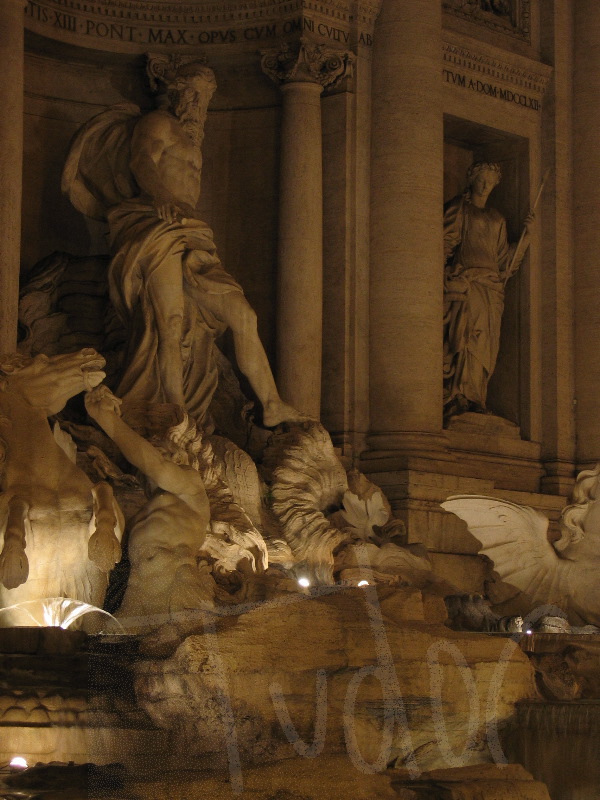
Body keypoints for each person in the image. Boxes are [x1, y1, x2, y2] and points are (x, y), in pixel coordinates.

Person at [64, 58, 304, 427]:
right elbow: (141, 159)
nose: (198, 104)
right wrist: (159, 194)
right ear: (176, 93)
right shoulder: (157, 122)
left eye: (204, 97)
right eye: (194, 94)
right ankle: (175, 412)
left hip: (190, 231)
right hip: (153, 225)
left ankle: (271, 403)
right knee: (169, 321)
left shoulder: (192, 137)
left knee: (242, 314)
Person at [84, 384, 215, 630]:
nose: (153, 456)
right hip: (136, 600)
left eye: (163, 452)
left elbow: (156, 466)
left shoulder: (192, 488)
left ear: (178, 458)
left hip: (175, 596)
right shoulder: (144, 507)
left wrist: (106, 417)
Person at [443, 161, 533, 419]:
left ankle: (476, 396)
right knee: (468, 337)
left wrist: (525, 239)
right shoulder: (460, 209)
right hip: (468, 282)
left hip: (491, 288)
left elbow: (504, 263)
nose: (485, 185)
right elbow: (444, 243)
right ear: (471, 178)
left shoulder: (497, 219)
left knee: (486, 344)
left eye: (490, 181)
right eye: (481, 179)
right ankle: (459, 395)